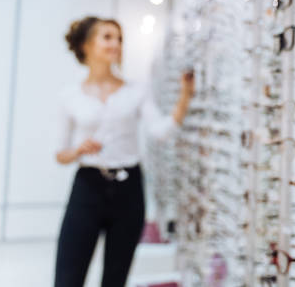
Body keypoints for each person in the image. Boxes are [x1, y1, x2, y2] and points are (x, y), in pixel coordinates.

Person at [54, 16, 194, 287]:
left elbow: (160, 131)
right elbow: (60, 154)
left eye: (119, 38)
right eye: (107, 37)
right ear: (86, 45)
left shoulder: (136, 90)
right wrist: (79, 150)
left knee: (116, 278)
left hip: (129, 191)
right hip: (88, 187)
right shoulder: (70, 96)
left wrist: (185, 97)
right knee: (68, 275)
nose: (115, 44)